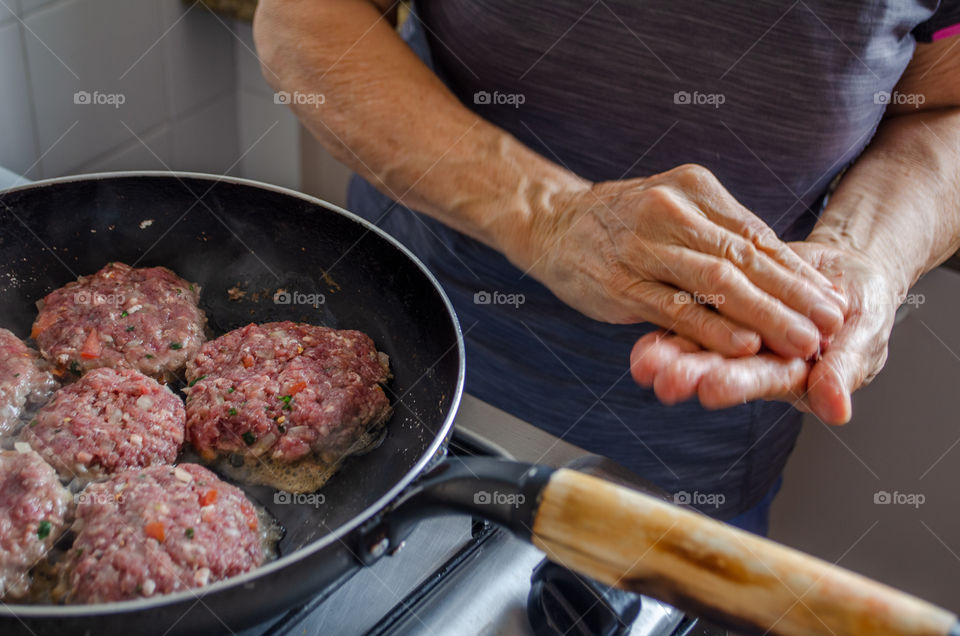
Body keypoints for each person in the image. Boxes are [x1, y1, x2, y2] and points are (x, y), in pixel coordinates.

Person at [253, 0, 960, 535]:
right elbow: (304, 18)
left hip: (696, 450)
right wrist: (546, 212)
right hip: (408, 388)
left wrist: (869, 251)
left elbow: (943, 101)